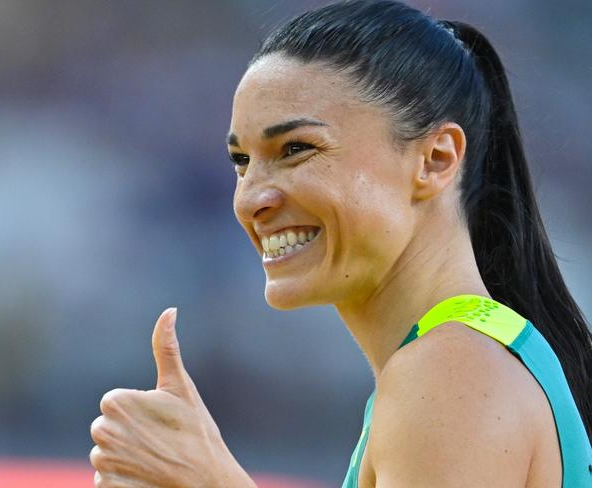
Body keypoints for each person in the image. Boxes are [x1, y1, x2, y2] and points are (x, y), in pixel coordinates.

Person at [89, 1, 592, 487]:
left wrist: (207, 480)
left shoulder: (452, 371)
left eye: (296, 149)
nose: (251, 199)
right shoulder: (464, 357)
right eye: (242, 161)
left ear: (436, 160)